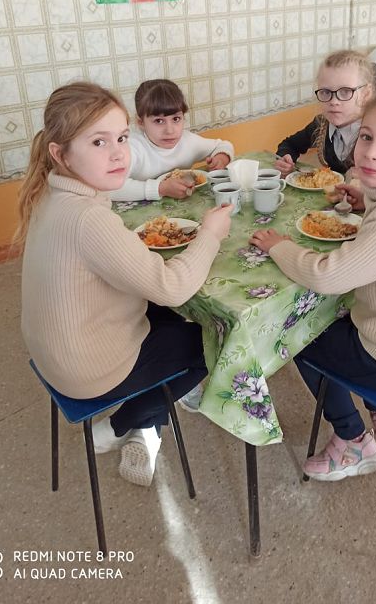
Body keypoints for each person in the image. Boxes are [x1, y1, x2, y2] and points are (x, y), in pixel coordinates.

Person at [16, 82, 233, 486]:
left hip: (54, 350)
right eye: (98, 142)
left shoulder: (52, 192)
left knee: (171, 314)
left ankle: (148, 421)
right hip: (86, 369)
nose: (118, 153)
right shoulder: (89, 219)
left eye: (121, 138)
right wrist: (210, 234)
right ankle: (125, 423)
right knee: (218, 339)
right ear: (60, 153)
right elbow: (173, 287)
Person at [250, 86, 376, 482]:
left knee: (297, 335)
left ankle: (353, 439)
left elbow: (327, 276)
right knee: (331, 320)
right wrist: (363, 202)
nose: (371, 152)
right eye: (367, 137)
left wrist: (279, 246)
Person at [110, 79, 234, 202]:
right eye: (159, 121)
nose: (170, 130)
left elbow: (222, 145)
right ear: (140, 122)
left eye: (176, 119)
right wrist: (161, 188)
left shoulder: (188, 141)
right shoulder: (131, 149)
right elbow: (109, 187)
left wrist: (221, 158)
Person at [274, 50, 376, 178]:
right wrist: (285, 159)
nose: (333, 101)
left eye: (345, 91)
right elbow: (289, 144)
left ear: (366, 94)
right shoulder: (321, 124)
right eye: (326, 92)